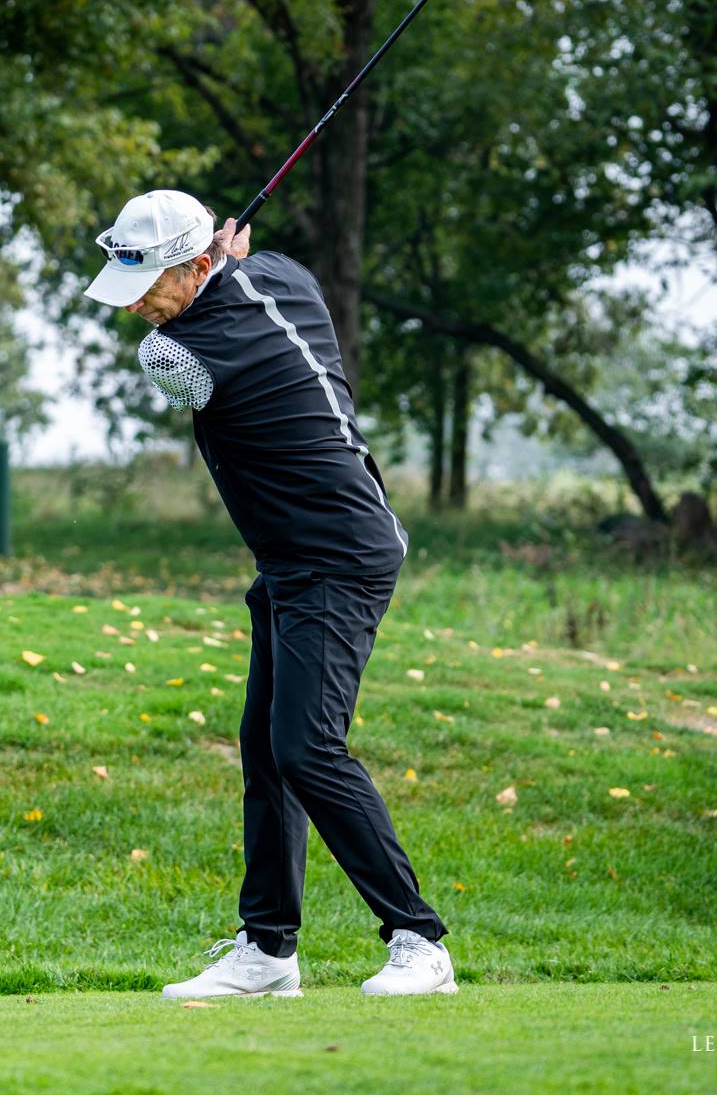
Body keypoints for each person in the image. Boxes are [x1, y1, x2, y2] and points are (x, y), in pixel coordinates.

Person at [82, 187, 455, 1000]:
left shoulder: (172, 356)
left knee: (307, 747)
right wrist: (230, 262)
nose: (138, 307)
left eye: (149, 286)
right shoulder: (287, 276)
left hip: (334, 555)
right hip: (299, 552)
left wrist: (217, 263)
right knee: (266, 747)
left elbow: (188, 352)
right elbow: (248, 280)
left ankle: (419, 940)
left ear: (196, 265)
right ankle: (268, 949)